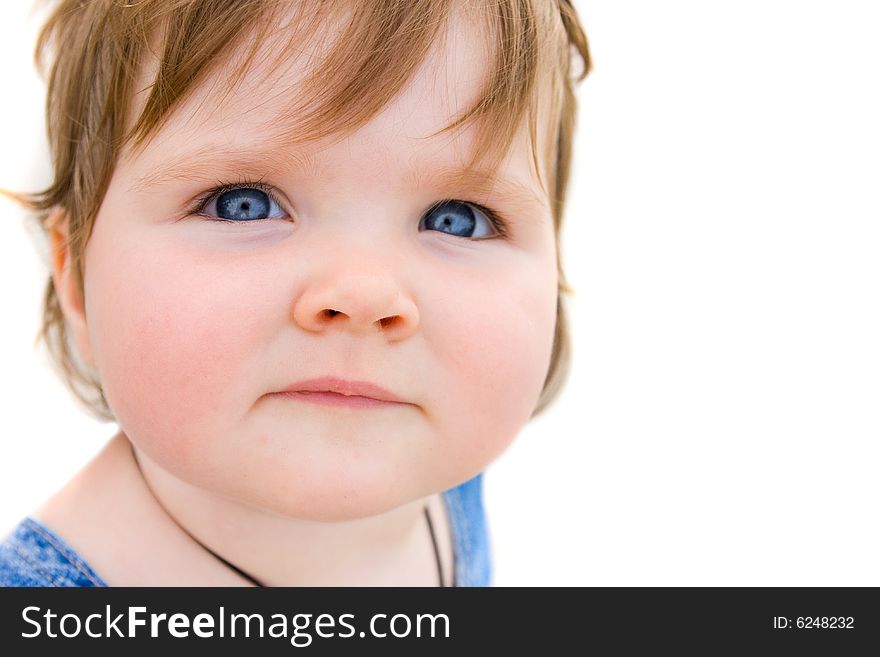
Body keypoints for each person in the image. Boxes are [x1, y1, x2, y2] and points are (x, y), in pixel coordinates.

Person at [0, 0, 590, 587]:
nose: (365, 295)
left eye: (458, 219)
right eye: (243, 204)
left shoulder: (446, 473)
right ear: (74, 276)